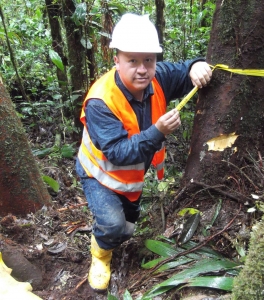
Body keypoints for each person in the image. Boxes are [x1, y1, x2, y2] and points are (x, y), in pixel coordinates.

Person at [76, 13, 212, 291]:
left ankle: (113, 236)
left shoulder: (157, 79)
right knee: (113, 227)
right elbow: (117, 152)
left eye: (148, 60)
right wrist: (158, 131)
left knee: (128, 227)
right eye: (133, 61)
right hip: (98, 174)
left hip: (131, 180)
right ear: (117, 60)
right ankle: (100, 254)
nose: (142, 69)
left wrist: (196, 66)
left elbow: (183, 71)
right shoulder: (101, 101)